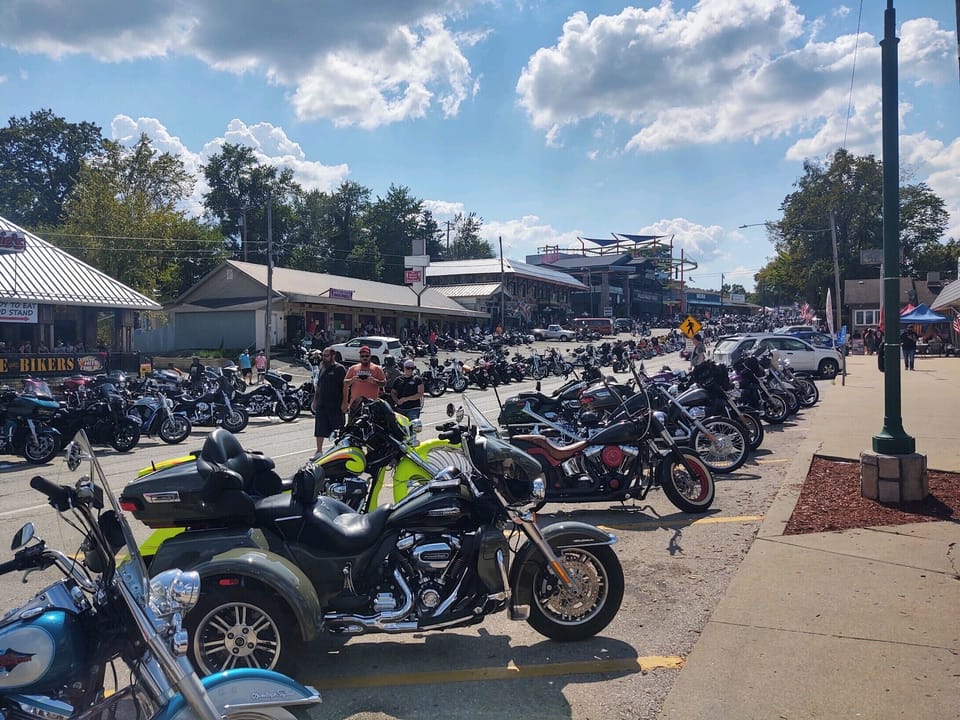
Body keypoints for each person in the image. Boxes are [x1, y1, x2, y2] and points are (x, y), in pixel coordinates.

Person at [311, 347, 347, 456]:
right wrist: (315, 400)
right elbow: (319, 385)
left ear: (333, 356)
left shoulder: (340, 369)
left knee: (338, 430)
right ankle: (319, 451)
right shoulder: (322, 367)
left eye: (326, 355)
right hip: (322, 404)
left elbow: (345, 388)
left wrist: (345, 402)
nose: (324, 358)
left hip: (336, 406)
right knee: (319, 429)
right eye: (323, 355)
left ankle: (339, 452)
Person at [342, 345, 386, 411]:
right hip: (355, 404)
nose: (364, 358)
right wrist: (353, 380)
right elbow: (345, 383)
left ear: (370, 356)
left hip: (372, 403)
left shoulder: (377, 368)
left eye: (367, 356)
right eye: (362, 356)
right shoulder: (353, 368)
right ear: (360, 357)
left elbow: (384, 383)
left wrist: (374, 381)